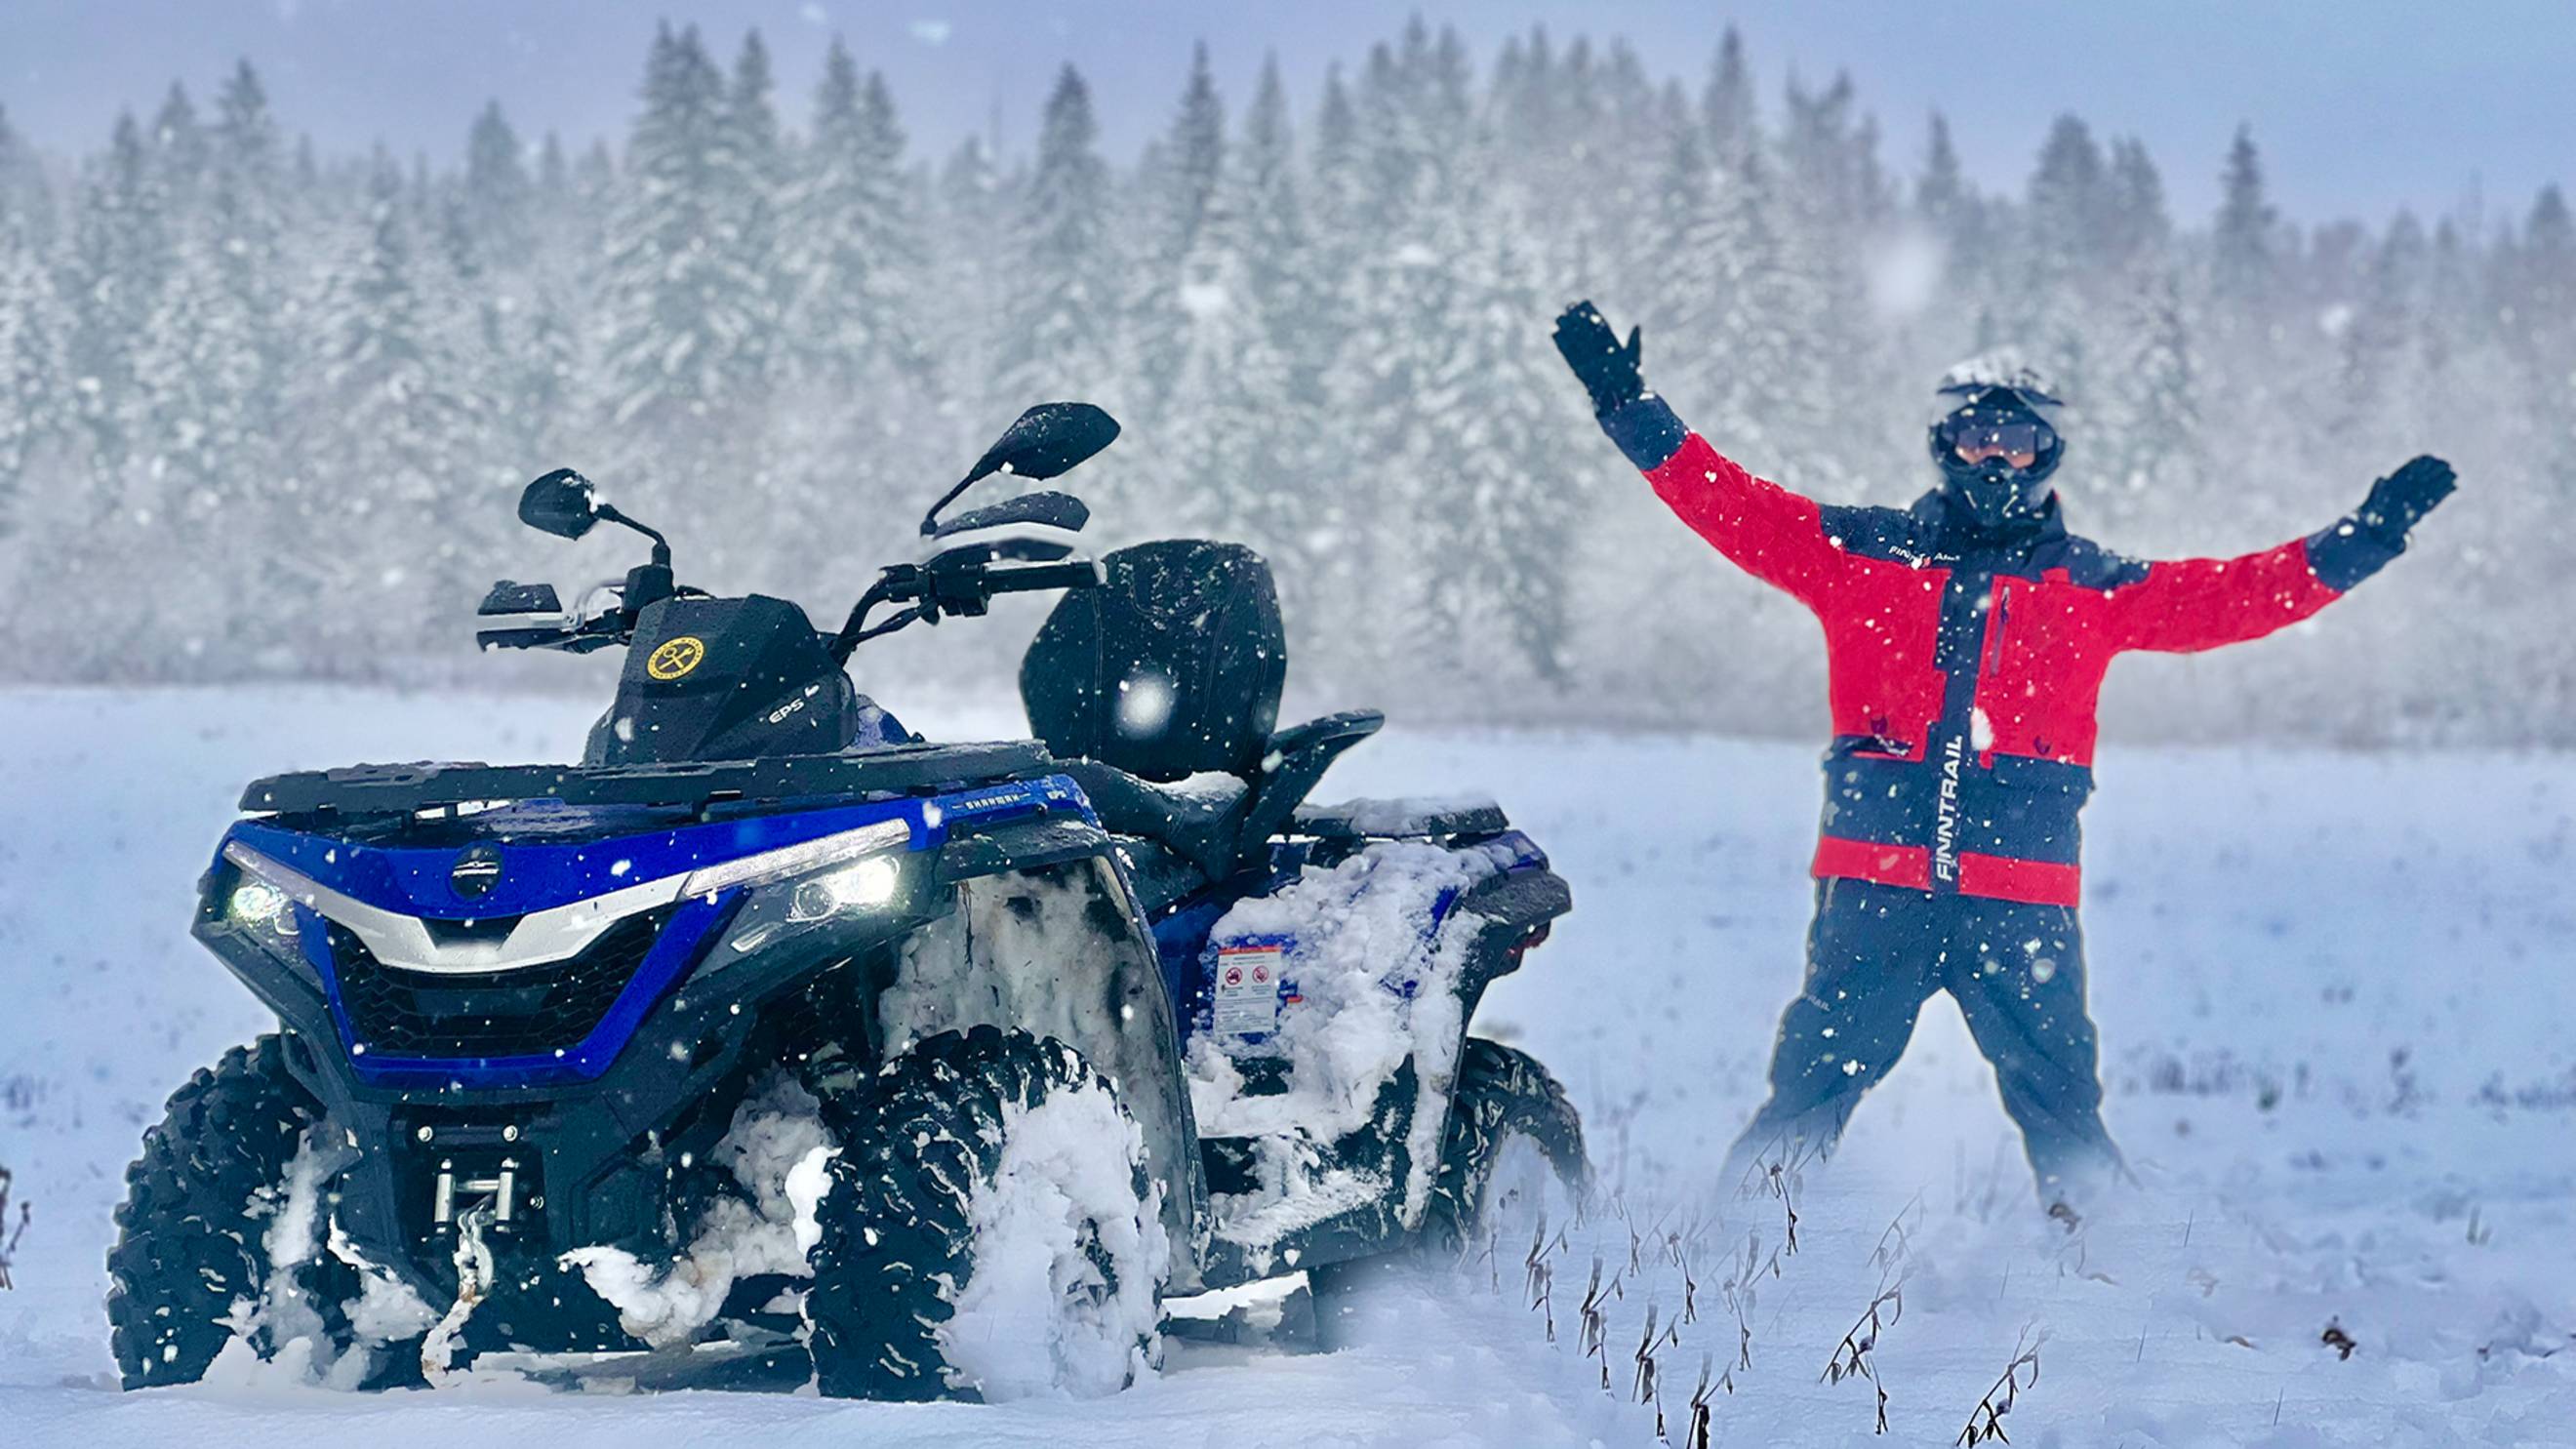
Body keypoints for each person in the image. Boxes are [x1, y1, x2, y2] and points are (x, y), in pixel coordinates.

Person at [1550, 301, 2456, 1207]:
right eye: (1977, 435)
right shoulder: (1863, 556)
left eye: (2016, 442)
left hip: (2021, 908)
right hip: (1876, 896)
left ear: (2047, 452)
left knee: (2066, 1114)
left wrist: (2365, 537)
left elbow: (2236, 598)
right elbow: (1730, 506)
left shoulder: (2092, 586)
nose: (1995, 458)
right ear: (1943, 442)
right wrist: (1630, 406)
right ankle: (1735, 1250)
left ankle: (2113, 1260)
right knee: (1804, 1102)